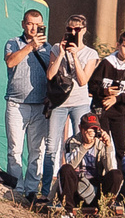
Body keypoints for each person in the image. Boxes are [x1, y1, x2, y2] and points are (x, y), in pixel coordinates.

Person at [41, 12, 99, 182]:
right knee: (51, 147)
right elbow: (50, 75)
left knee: (80, 144)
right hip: (59, 102)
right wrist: (61, 54)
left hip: (79, 103)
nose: (73, 32)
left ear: (84, 30)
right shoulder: (56, 47)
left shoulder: (90, 53)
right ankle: (45, 190)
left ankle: (78, 186)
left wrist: (74, 55)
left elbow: (82, 81)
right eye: (69, 29)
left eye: (77, 29)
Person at [4, 10, 51, 199]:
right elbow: (10, 62)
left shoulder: (48, 48)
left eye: (37, 25)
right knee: (14, 149)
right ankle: (17, 189)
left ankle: (32, 190)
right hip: (16, 104)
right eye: (30, 24)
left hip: (40, 105)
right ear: (23, 24)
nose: (33, 28)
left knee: (36, 151)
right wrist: (30, 46)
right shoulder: (13, 43)